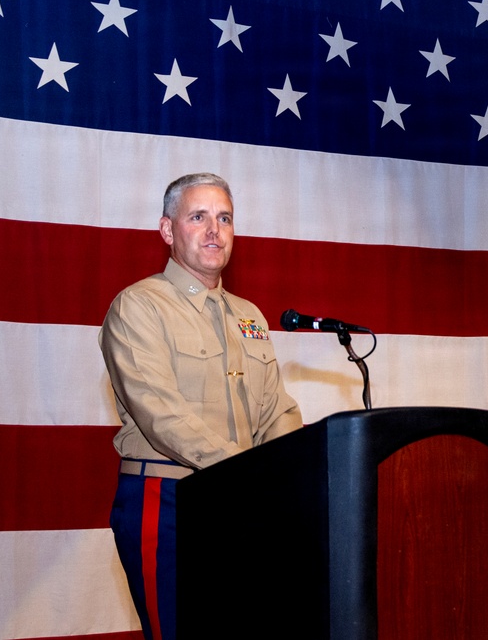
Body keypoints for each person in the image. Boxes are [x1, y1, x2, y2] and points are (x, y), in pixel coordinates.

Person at [99, 173, 303, 640]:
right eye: (198, 217)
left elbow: (277, 410)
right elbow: (160, 412)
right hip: (169, 500)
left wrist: (296, 472)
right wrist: (253, 474)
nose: (215, 230)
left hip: (245, 500)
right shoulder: (139, 307)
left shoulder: (249, 315)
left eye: (224, 218)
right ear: (168, 231)